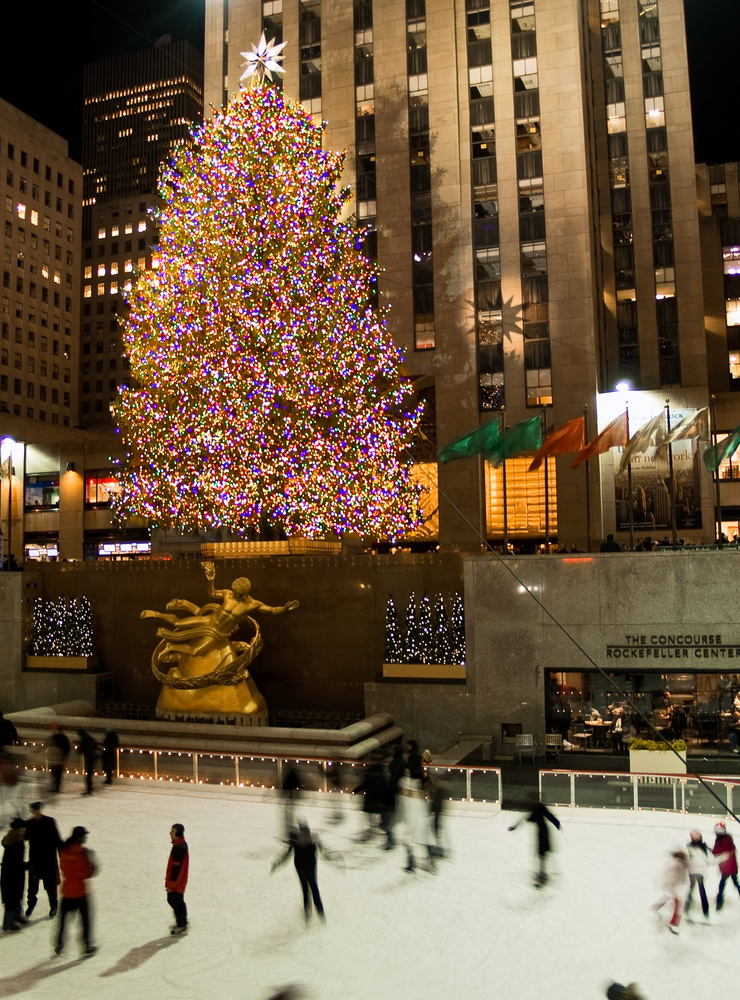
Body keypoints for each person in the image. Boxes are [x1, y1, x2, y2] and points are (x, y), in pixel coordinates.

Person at [271, 821, 333, 922]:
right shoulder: (313, 843)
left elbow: (285, 856)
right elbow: (325, 853)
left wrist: (276, 864)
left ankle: (307, 913)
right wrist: (334, 860)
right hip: (311, 869)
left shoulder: (295, 844)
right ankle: (320, 912)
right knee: (314, 888)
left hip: (300, 869)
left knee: (305, 889)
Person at [55, 825, 97, 956]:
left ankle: (59, 943)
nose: (86, 837)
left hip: (67, 891)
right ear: (79, 837)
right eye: (84, 835)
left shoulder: (64, 850)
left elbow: (63, 867)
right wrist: (92, 864)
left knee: (63, 921)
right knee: (85, 920)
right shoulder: (82, 853)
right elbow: (87, 873)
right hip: (80, 893)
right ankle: (87, 945)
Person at [508, 796, 561, 887]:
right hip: (541, 832)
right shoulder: (535, 808)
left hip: (543, 833)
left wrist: (557, 823)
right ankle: (542, 874)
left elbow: (547, 815)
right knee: (541, 854)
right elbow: (527, 818)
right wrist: (515, 826)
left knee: (542, 854)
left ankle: (542, 877)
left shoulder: (539, 807)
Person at [25, 801, 62, 918]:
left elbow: (57, 839)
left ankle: (53, 906)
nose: (36, 812)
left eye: (37, 809)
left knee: (50, 886)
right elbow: (23, 837)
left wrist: (63, 855)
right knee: (32, 887)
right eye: (34, 810)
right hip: (34, 860)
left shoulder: (49, 822)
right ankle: (31, 905)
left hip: (48, 860)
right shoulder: (29, 824)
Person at [397, 775, 435, 873]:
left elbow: (411, 815)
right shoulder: (418, 799)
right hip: (420, 826)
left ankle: (412, 865)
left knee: (414, 844)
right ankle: (427, 864)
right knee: (421, 844)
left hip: (416, 826)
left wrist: (409, 827)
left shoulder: (412, 801)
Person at [651, 849, 689, 933]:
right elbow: (664, 872)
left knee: (668, 897)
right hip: (670, 885)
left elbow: (682, 877)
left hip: (672, 885)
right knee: (678, 902)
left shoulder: (680, 864)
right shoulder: (676, 863)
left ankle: (655, 907)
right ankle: (674, 924)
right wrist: (657, 882)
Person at [1, 818, 28, 932]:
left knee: (16, 896)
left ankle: (16, 917)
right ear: (19, 829)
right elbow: (15, 862)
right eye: (24, 828)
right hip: (12, 874)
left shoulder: (11, 839)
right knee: (12, 898)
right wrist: (27, 865)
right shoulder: (17, 843)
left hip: (10, 873)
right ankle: (8, 923)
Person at [166, 823, 189, 935]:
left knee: (175, 901)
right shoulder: (178, 844)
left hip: (177, 883)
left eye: (173, 831)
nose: (170, 833)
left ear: (179, 834)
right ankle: (182, 921)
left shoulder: (179, 849)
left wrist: (171, 886)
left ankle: (182, 925)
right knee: (175, 901)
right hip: (176, 882)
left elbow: (177, 871)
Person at [712, 821, 740, 911]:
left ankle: (719, 903)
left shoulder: (722, 841)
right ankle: (719, 901)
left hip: (727, 868)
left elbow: (716, 851)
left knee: (722, 885)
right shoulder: (728, 839)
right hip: (731, 867)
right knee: (735, 882)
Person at [685, 829, 710, 921]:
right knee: (701, 890)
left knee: (692, 889)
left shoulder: (690, 847)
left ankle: (687, 908)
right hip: (698, 872)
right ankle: (705, 910)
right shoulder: (703, 847)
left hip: (694, 872)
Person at [48, 722, 70, 794]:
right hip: (60, 758)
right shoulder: (64, 737)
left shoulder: (55, 737)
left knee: (54, 772)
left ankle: (56, 785)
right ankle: (57, 786)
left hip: (55, 757)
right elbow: (67, 748)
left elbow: (48, 744)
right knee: (58, 773)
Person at [77, 729, 98, 796]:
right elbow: (95, 745)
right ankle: (90, 788)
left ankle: (89, 789)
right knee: (89, 774)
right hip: (93, 756)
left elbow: (81, 750)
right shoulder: (90, 738)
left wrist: (79, 750)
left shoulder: (83, 740)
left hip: (88, 758)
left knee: (88, 774)